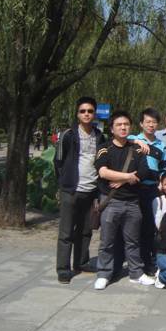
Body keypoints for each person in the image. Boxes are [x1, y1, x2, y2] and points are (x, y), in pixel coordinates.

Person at [93, 110, 159, 290]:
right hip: (111, 202)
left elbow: (143, 172)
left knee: (133, 241)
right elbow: (103, 172)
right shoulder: (105, 148)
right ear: (112, 129)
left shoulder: (137, 149)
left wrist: (120, 180)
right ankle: (104, 274)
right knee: (107, 241)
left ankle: (136, 273)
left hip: (132, 202)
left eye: (126, 124)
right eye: (119, 125)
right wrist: (127, 176)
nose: (123, 127)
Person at [54, 97, 105, 284]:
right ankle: (63, 269)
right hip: (71, 190)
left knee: (85, 231)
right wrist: (65, 182)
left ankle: (81, 262)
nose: (86, 114)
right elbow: (58, 161)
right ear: (77, 114)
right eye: (83, 111)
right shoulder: (68, 135)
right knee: (66, 232)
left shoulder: (99, 136)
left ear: (94, 113)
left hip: (91, 191)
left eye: (90, 111)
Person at [128, 108, 166, 275]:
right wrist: (137, 141)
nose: (151, 125)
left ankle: (148, 262)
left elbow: (163, 168)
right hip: (134, 188)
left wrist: (162, 183)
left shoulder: (161, 145)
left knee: (150, 227)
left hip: (152, 189)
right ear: (141, 124)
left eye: (154, 122)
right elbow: (124, 139)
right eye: (148, 122)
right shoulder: (133, 139)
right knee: (133, 226)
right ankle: (133, 261)